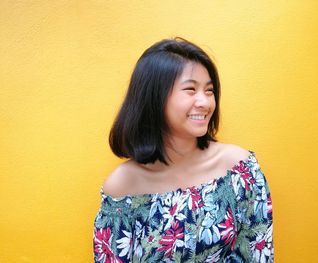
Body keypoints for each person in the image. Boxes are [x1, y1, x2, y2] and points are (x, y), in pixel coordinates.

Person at [93, 37, 273, 262]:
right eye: (190, 89)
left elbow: (256, 253)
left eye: (209, 91)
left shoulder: (239, 170)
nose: (205, 103)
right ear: (155, 98)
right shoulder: (122, 186)